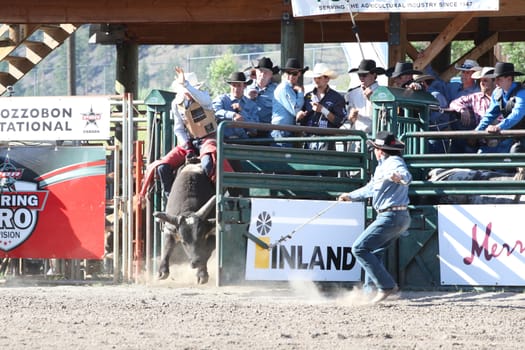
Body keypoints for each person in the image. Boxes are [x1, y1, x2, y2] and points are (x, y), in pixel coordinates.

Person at [337, 131, 412, 304]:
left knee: (359, 248)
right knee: (374, 251)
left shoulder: (393, 162)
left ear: (380, 150)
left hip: (391, 215)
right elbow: (371, 188)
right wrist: (351, 195)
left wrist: (400, 177)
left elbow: (406, 176)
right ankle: (369, 291)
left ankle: (386, 286)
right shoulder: (382, 167)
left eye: (375, 148)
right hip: (398, 216)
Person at [139, 67, 228, 200]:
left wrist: (187, 85)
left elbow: (204, 100)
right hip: (190, 142)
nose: (186, 93)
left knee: (208, 164)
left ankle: (216, 197)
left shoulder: (204, 98)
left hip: (208, 139)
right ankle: (170, 199)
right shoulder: (176, 104)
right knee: (162, 167)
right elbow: (179, 129)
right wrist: (187, 147)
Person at [475, 62, 525, 154]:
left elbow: (517, 113)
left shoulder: (522, 92)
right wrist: (477, 131)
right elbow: (490, 114)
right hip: (511, 135)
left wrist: (498, 127)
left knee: (513, 153)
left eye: (499, 79)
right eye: (495, 79)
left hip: (521, 135)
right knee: (483, 154)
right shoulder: (497, 93)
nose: (496, 82)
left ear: (509, 79)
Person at [297, 62, 346, 151]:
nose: (316, 80)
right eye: (315, 78)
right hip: (309, 139)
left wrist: (323, 110)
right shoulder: (308, 96)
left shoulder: (337, 98)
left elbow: (339, 121)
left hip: (327, 141)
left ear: (327, 79)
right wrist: (299, 117)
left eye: (319, 78)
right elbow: (303, 120)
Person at [341, 59, 386, 152]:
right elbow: (349, 119)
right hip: (357, 137)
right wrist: (351, 117)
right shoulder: (352, 94)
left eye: (364, 75)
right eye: (359, 75)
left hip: (376, 138)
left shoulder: (384, 93)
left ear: (374, 75)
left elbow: (385, 116)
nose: (361, 78)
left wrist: (372, 100)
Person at [448, 67, 496, 153]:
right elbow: (454, 103)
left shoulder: (503, 97)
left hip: (501, 138)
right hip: (481, 140)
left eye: (485, 80)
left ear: (494, 82)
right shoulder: (475, 97)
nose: (482, 83)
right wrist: (462, 109)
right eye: (481, 81)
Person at [410, 74, 453, 153]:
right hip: (426, 135)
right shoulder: (420, 95)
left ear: (423, 83)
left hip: (438, 136)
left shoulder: (435, 96)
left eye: (418, 83)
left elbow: (435, 119)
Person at [271, 58, 308, 147]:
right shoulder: (285, 88)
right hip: (281, 132)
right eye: (288, 73)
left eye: (294, 73)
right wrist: (300, 92)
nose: (291, 76)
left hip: (284, 131)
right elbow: (295, 110)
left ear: (299, 73)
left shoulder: (289, 88)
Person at [213, 71, 259, 140]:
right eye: (234, 85)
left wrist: (242, 113)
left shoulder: (252, 105)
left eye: (239, 85)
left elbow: (255, 129)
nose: (236, 89)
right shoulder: (221, 99)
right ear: (230, 86)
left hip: (245, 143)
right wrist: (233, 115)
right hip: (224, 141)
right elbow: (215, 112)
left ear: (244, 86)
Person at [245, 57, 279, 137]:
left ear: (271, 75)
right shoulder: (245, 87)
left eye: (266, 72)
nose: (262, 74)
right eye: (260, 71)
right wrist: (248, 98)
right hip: (247, 131)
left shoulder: (277, 90)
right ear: (256, 72)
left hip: (268, 132)